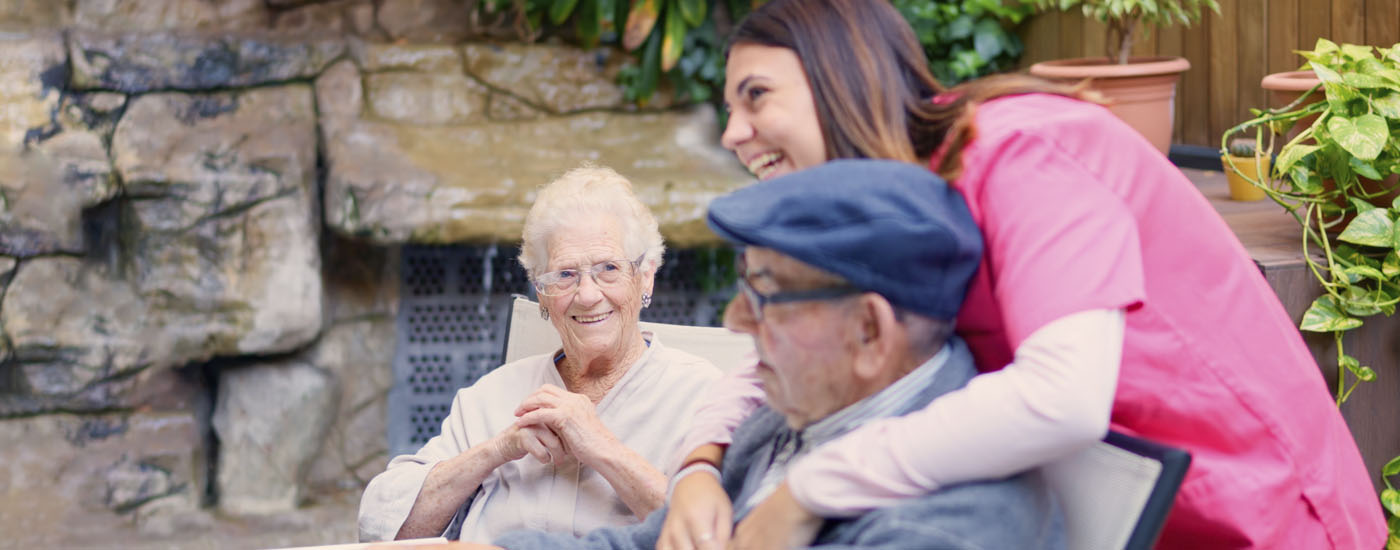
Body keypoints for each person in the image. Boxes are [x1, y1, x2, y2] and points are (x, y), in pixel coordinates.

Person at [660, 1, 1388, 549]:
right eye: (729, 107)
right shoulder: (884, 199)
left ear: (841, 76)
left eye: (756, 95)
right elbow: (787, 337)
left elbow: (1061, 395)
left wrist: (810, 488)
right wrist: (699, 463)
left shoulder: (1023, 149)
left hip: (1260, 507)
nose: (732, 133)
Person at [455, 159, 1065, 550]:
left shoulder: (940, 528)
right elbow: (647, 545)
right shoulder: (784, 418)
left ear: (871, 331)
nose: (733, 321)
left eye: (766, 295)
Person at [358, 165, 722, 542]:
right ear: (541, 292)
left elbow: (717, 535)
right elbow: (381, 527)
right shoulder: (494, 394)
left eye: (609, 269)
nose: (587, 295)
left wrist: (602, 447)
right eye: (564, 275)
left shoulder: (701, 395)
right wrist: (497, 450)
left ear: (646, 276)